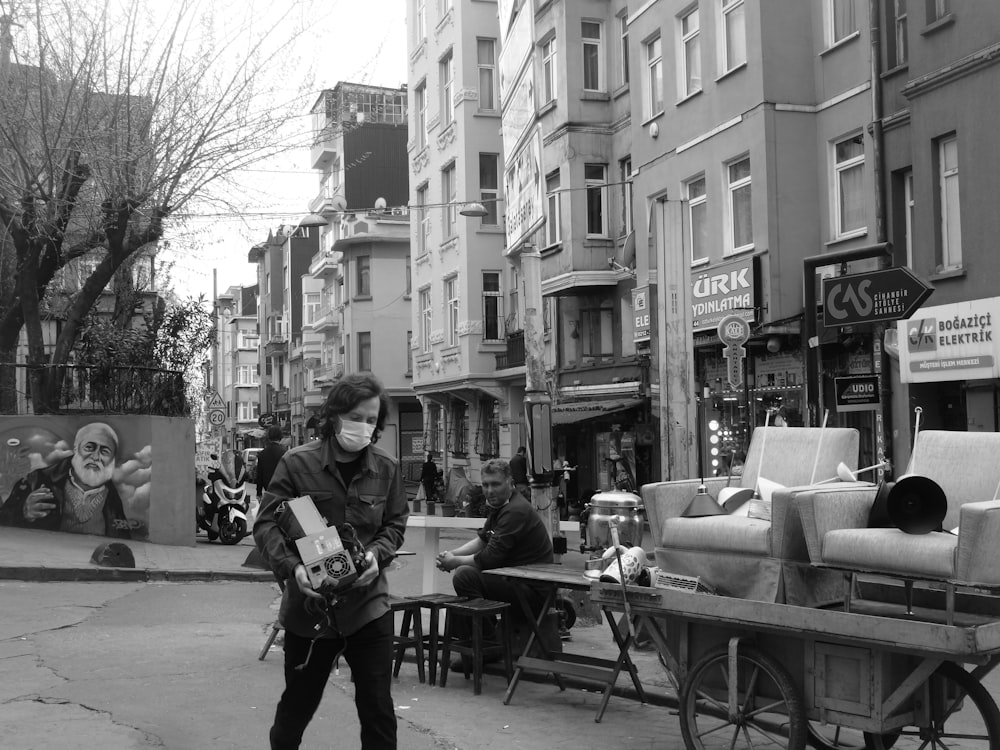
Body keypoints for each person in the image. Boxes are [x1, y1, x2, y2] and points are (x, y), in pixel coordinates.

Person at [254, 373, 407, 750]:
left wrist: (376, 554)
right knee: (296, 709)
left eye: (372, 420)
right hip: (311, 613)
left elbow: (395, 525)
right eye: (357, 416)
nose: (365, 426)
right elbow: (266, 524)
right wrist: (293, 567)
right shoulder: (296, 463)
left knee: (378, 711)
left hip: (368, 607)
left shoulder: (386, 467)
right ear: (335, 415)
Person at [435, 458, 553, 666]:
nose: (489, 491)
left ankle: (488, 645)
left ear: (509, 482)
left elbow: (488, 558)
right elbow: (483, 539)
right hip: (514, 581)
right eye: (486, 485)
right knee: (464, 575)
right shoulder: (502, 507)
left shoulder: (515, 510)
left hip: (533, 592)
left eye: (495, 484)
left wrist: (454, 562)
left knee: (465, 576)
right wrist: (450, 555)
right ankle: (477, 643)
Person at [0, 421, 131, 538]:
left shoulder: (112, 496)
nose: (96, 456)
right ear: (76, 449)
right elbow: (4, 518)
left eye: (105, 451)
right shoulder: (37, 480)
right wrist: (23, 511)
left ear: (112, 459)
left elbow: (121, 535)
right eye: (89, 447)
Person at [255, 426, 287, 500]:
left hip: (269, 491)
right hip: (283, 491)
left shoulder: (262, 454)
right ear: (280, 437)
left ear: (269, 437)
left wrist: (259, 493)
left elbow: (259, 475)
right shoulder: (285, 453)